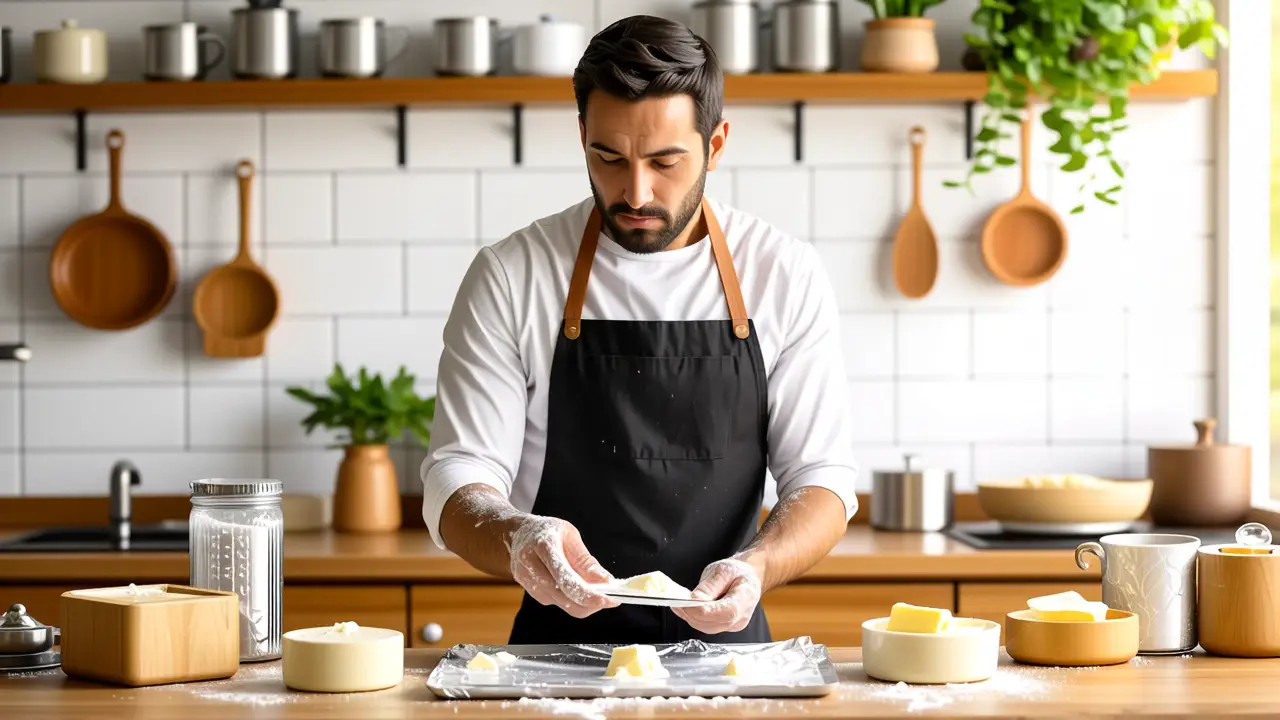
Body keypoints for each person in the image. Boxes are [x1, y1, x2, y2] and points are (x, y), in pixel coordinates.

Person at [420, 14, 859, 645]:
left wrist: (756, 567)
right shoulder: (513, 274)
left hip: (730, 664)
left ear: (717, 143)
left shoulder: (782, 273)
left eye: (665, 161)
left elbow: (821, 477)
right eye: (609, 157)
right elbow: (456, 474)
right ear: (581, 135)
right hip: (555, 660)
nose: (635, 191)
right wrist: (517, 537)